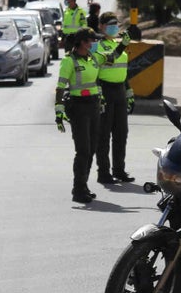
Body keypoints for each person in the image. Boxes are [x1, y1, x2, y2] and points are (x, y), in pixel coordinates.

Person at [55, 27, 132, 203]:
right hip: (78, 108)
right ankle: (77, 189)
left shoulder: (94, 58)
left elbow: (112, 57)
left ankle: (83, 186)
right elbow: (60, 87)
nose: (95, 43)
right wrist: (59, 110)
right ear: (83, 42)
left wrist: (123, 45)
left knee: (91, 149)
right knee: (83, 150)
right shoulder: (69, 61)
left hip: (94, 106)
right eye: (92, 41)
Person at [94, 12, 134, 185]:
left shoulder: (117, 45)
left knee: (121, 133)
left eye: (115, 24)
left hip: (119, 91)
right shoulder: (97, 46)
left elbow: (122, 71)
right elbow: (108, 61)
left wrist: (129, 92)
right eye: (109, 24)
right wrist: (122, 46)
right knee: (104, 134)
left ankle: (119, 170)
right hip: (105, 90)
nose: (113, 27)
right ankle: (103, 172)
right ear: (101, 26)